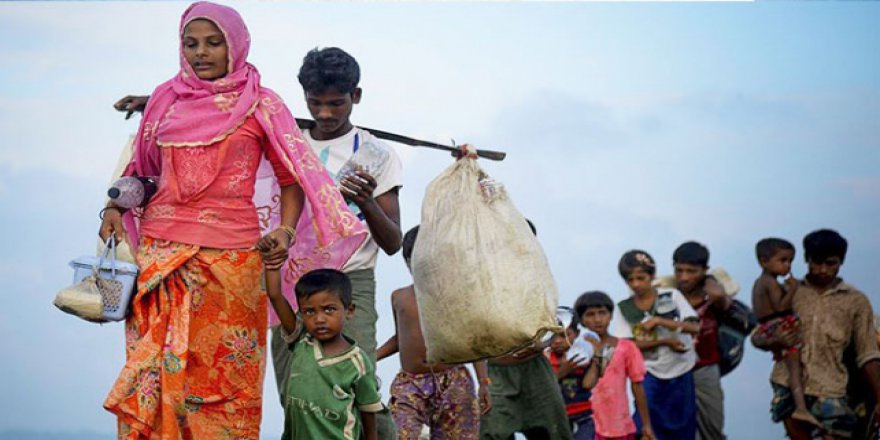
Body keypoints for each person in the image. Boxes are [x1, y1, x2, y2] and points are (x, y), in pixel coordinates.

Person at [99, 3, 366, 438]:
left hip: (234, 267)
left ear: (235, 45)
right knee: (156, 375)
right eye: (191, 43)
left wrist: (282, 229)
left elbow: (290, 180)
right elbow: (144, 176)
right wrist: (114, 207)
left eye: (213, 42)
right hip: (162, 260)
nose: (201, 53)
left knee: (226, 382)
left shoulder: (262, 103)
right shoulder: (165, 101)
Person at [752, 229, 880, 440]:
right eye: (816, 262)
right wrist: (774, 339)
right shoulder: (787, 292)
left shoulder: (855, 301)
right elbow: (758, 335)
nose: (822, 270)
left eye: (830, 263)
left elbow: (868, 353)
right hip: (787, 385)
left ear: (841, 262)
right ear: (806, 259)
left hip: (830, 387)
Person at [376, 225, 491, 439]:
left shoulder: (456, 296)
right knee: (400, 433)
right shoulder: (399, 297)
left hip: (453, 379)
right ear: (408, 263)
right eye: (416, 262)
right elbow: (401, 338)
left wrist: (484, 382)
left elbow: (473, 341)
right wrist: (372, 357)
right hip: (410, 382)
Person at [262, 261, 382, 440]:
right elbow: (275, 295)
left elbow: (368, 409)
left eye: (329, 310)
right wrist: (272, 261)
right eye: (309, 312)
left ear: (349, 310)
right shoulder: (301, 341)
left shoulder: (357, 362)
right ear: (301, 314)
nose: (319, 319)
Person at [480, 219, 573, 440]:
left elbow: (555, 325)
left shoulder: (539, 281)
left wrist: (544, 344)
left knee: (554, 430)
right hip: (497, 372)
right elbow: (474, 333)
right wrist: (483, 380)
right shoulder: (482, 281)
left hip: (535, 369)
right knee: (492, 431)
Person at [612, 250, 699, 440]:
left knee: (682, 421)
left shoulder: (671, 296)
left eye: (641, 278)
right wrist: (665, 341)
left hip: (680, 368)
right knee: (647, 418)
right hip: (649, 371)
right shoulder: (624, 308)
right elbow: (626, 344)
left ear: (652, 276)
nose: (636, 284)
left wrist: (660, 321)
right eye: (630, 280)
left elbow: (694, 327)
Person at [672, 241, 752, 440]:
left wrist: (717, 292)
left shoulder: (714, 298)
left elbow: (745, 319)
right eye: (679, 270)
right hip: (671, 370)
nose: (684, 277)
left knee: (711, 428)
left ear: (704, 270)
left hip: (705, 368)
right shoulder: (668, 298)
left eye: (691, 271)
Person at [751, 238, 820, 428]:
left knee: (794, 369)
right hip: (778, 326)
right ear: (764, 262)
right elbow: (781, 306)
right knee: (795, 371)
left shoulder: (761, 282)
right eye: (783, 261)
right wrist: (794, 288)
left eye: (790, 261)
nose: (787, 266)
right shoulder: (769, 282)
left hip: (769, 327)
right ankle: (801, 408)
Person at [576, 291, 654, 440]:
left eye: (602, 313)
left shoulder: (626, 347)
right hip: (586, 424)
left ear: (611, 316)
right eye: (590, 314)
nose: (597, 319)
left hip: (619, 424)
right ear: (581, 320)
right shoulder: (577, 349)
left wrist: (646, 425)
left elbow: (637, 386)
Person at [544, 324, 598, 440]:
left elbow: (587, 384)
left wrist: (595, 360)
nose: (558, 341)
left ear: (577, 334)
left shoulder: (582, 357)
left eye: (564, 335)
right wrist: (562, 372)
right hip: (554, 422)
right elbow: (540, 388)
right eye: (553, 336)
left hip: (582, 418)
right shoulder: (544, 360)